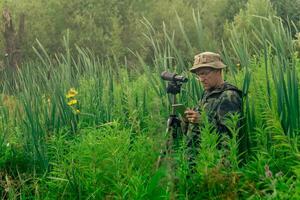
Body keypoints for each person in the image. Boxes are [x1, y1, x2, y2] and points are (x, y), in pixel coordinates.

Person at [182, 51, 243, 167]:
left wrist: (203, 121)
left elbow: (230, 135)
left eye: (204, 73)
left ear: (218, 71)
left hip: (215, 164)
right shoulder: (207, 94)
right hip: (200, 162)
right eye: (198, 75)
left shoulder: (229, 96)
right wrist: (187, 120)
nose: (201, 79)